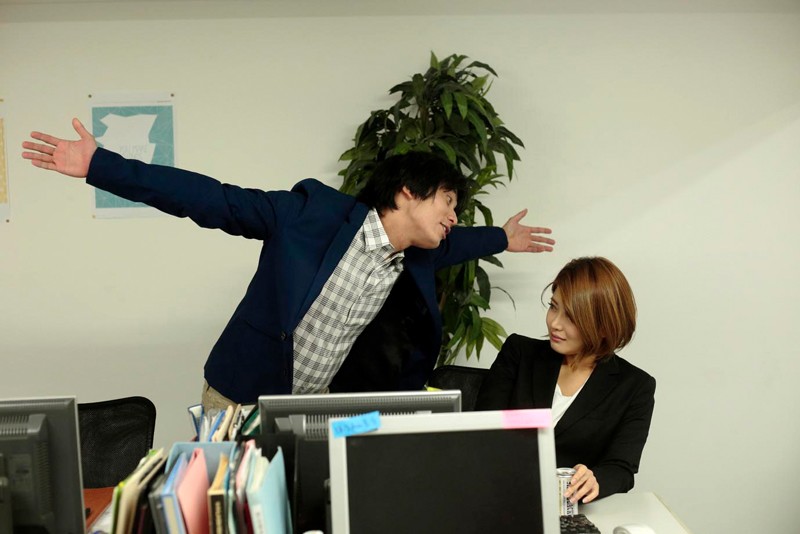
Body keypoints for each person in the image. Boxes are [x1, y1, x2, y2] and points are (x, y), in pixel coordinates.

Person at [22, 118, 556, 409]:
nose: (453, 217)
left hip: (307, 408)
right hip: (237, 397)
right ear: (408, 192)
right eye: (448, 201)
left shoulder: (416, 255)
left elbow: (459, 243)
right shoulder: (309, 215)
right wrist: (101, 166)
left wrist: (502, 239)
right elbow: (210, 198)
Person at [475, 256, 655, 504]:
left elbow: (621, 469)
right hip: (497, 497)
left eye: (570, 316)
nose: (554, 323)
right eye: (553, 306)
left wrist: (595, 480)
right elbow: (482, 434)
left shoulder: (635, 386)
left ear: (604, 326)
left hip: (567, 507)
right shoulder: (519, 353)